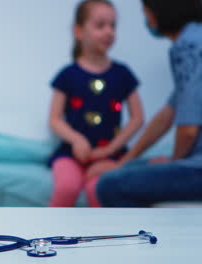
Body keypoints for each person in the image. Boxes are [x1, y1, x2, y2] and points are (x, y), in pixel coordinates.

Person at [97, 0, 202, 207]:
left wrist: (174, 161)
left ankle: (150, 238)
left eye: (146, 13)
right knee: (128, 169)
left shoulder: (188, 47)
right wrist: (124, 161)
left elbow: (188, 129)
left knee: (108, 185)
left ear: (156, 14)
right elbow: (167, 115)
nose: (147, 20)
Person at [48, 0, 144, 207]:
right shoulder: (67, 75)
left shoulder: (122, 74)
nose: (109, 31)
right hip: (71, 154)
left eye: (113, 26)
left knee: (98, 190)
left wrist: (110, 150)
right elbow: (54, 119)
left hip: (110, 154)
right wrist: (76, 140)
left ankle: (100, 238)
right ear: (79, 31)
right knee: (67, 187)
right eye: (100, 25)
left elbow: (138, 118)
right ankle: (47, 237)